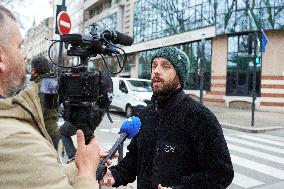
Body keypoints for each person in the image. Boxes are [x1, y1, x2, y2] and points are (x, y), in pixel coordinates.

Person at [101, 47, 234, 189]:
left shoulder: (200, 117)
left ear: (180, 75)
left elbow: (221, 173)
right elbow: (135, 159)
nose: (156, 71)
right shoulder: (145, 115)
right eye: (154, 66)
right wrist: (115, 175)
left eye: (165, 66)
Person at [0, 5, 101, 188]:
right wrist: (87, 173)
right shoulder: (16, 140)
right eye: (19, 46)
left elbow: (42, 177)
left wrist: (82, 165)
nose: (24, 55)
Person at [30, 56, 60, 150]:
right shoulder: (51, 84)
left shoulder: (36, 87)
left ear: (34, 70)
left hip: (43, 135)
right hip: (53, 132)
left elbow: (37, 115)